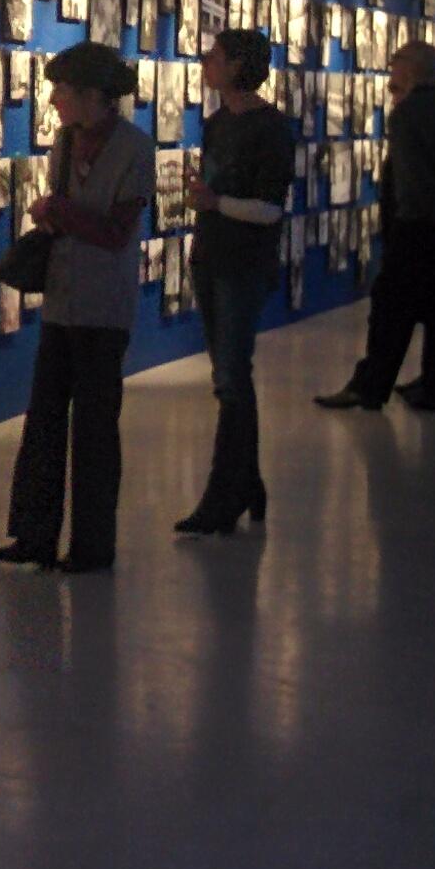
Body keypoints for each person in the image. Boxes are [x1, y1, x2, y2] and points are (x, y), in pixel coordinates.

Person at [0, 40, 152, 573]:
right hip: (62, 298)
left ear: (92, 94)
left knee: (96, 428)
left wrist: (57, 209)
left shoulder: (135, 149)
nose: (54, 99)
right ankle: (34, 535)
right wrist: (56, 214)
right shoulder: (64, 142)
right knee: (44, 420)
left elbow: (115, 230)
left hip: (104, 306)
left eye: (62, 90)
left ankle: (92, 545)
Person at [316, 40, 435, 413]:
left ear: (410, 70)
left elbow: (414, 177)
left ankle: (371, 386)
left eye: (395, 62)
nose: (390, 69)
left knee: (391, 312)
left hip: (418, 228)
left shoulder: (407, 114)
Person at [175, 27, 294, 535]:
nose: (206, 61)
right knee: (228, 378)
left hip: (243, 262)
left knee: (230, 378)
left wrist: (214, 202)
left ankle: (228, 492)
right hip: (212, 256)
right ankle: (244, 483)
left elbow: (269, 208)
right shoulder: (217, 122)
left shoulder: (271, 128)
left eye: (216, 55)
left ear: (239, 66)